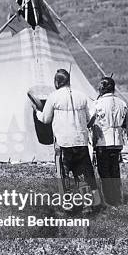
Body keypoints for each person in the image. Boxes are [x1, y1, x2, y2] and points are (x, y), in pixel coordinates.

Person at [36, 69, 100, 209]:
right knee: (82, 173)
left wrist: (37, 113)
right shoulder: (82, 96)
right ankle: (87, 205)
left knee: (63, 174)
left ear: (57, 82)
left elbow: (46, 119)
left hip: (63, 142)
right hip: (80, 141)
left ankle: (67, 204)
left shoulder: (53, 97)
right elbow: (90, 118)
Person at [91, 77, 128, 206]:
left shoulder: (97, 103)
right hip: (117, 141)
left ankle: (109, 200)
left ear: (102, 88)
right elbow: (125, 123)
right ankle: (118, 198)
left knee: (105, 172)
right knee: (115, 170)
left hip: (103, 141)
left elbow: (90, 121)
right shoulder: (122, 103)